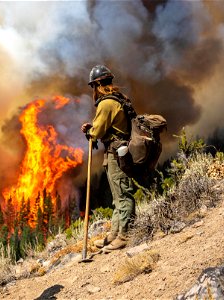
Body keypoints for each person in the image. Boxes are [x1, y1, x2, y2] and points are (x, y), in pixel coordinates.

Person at [81, 65, 136, 251]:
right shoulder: (118, 98)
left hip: (116, 154)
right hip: (116, 152)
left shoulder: (106, 103)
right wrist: (93, 128)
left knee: (122, 194)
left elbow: (97, 132)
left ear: (97, 84)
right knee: (117, 196)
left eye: (93, 87)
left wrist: (89, 130)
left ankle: (125, 235)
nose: (93, 91)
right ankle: (114, 234)